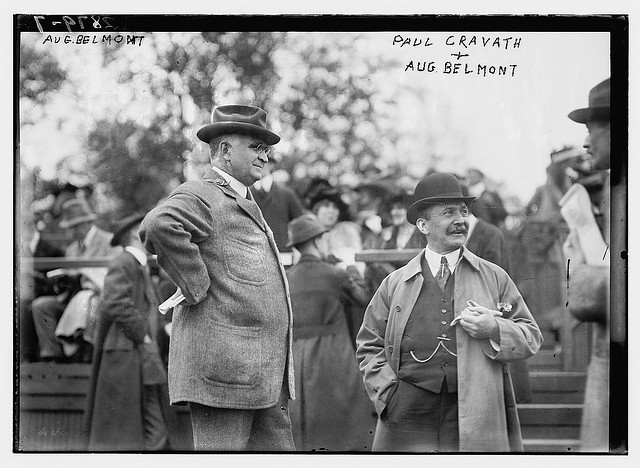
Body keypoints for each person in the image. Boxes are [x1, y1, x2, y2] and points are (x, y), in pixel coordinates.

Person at [139, 104, 295, 451]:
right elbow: (158, 225)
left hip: (261, 375)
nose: (265, 156)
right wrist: (195, 286)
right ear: (224, 150)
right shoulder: (203, 193)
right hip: (225, 374)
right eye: (255, 147)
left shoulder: (241, 197)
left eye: (266, 149)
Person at [356, 172, 543, 452]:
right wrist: (387, 394)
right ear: (423, 225)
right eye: (448, 213)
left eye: (464, 211)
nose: (461, 220)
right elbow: (369, 344)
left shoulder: (494, 277)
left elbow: (531, 336)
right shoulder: (394, 283)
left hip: (473, 408)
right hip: (407, 409)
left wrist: (493, 329)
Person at [285, 214, 375, 451]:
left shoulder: (287, 278)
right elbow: (363, 297)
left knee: (306, 427)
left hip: (299, 360)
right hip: (333, 356)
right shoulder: (334, 274)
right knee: (342, 427)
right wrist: (351, 265)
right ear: (317, 241)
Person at [84, 213, 170, 451]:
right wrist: (142, 334)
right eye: (148, 230)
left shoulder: (135, 264)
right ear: (135, 234)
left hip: (138, 353)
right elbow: (114, 302)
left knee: (150, 421)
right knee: (131, 429)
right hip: (128, 353)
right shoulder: (125, 262)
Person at [562, 77, 612, 452]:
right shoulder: (616, 187)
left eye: (591, 128)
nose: (585, 141)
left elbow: (588, 297)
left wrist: (578, 259)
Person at [31, 198, 117, 362]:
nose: (69, 233)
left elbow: (111, 275)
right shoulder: (72, 248)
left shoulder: (108, 242)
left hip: (96, 297)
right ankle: (54, 357)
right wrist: (61, 281)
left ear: (84, 224)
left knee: (86, 303)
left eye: (71, 227)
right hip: (70, 296)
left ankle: (83, 356)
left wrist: (83, 276)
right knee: (41, 306)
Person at [252, 155, 306, 254]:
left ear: (271, 164)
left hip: (283, 257)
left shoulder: (287, 194)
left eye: (263, 161)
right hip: (251, 256)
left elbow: (302, 224)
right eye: (254, 160)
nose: (258, 164)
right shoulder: (242, 192)